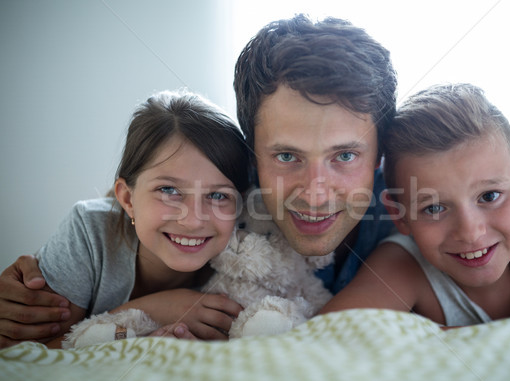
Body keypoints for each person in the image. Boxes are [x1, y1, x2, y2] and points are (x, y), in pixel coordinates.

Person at [0, 14, 399, 348]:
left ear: (379, 156)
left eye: (345, 155)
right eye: (286, 156)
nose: (314, 192)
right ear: (251, 155)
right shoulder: (224, 212)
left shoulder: (417, 214)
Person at [319, 83, 510, 326]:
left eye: (489, 196)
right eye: (434, 208)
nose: (469, 231)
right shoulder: (404, 267)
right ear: (399, 214)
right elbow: (320, 342)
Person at [0, 90, 252, 348]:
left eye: (218, 195)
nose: (193, 220)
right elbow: (28, 354)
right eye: (168, 190)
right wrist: (153, 310)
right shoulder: (89, 233)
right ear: (128, 199)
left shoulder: (248, 260)